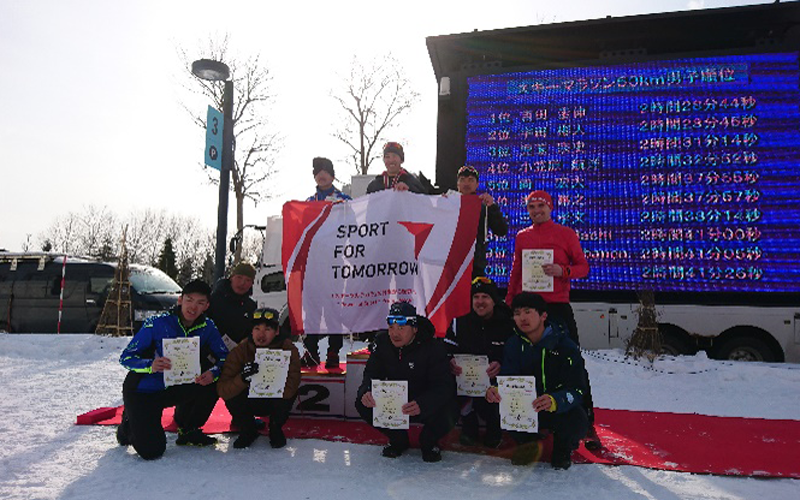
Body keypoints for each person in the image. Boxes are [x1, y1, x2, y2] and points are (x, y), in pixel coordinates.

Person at [504, 189, 600, 450]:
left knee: (572, 362)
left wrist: (563, 271)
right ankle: (527, 416)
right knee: (525, 362)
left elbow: (584, 267)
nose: (536, 211)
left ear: (550, 208)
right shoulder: (522, 236)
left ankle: (586, 422)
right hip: (528, 306)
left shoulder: (566, 234)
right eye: (531, 207)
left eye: (541, 206)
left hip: (556, 307)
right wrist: (510, 300)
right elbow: (516, 270)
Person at [116, 279, 229, 460]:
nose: (193, 307)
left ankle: (189, 428)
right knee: (152, 451)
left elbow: (225, 358)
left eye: (200, 303)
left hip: (177, 386)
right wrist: (150, 365)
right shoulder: (156, 323)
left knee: (215, 381)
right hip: (145, 390)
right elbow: (126, 357)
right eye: (189, 300)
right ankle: (128, 424)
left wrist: (213, 373)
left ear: (206, 305)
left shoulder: (208, 327)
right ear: (180, 300)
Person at [486, 292, 589, 469]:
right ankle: (526, 443)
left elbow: (578, 389)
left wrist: (555, 400)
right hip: (526, 407)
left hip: (555, 407)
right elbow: (508, 377)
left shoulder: (565, 346)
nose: (522, 318)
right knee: (498, 406)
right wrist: (496, 389)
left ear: (543, 315)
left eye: (528, 312)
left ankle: (562, 448)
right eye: (517, 313)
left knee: (577, 418)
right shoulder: (513, 344)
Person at [355, 301, 455, 462]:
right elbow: (371, 372)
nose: (395, 333)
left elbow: (444, 386)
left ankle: (429, 441)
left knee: (451, 406)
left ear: (414, 329)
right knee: (362, 401)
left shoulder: (433, 347)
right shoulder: (382, 342)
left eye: (401, 328)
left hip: (423, 399)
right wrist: (366, 390)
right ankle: (397, 439)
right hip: (395, 400)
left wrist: (423, 403)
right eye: (392, 328)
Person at [217, 307, 301, 449]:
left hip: (275, 401)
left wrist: (276, 384)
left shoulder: (288, 349)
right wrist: (242, 379)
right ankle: (247, 429)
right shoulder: (241, 350)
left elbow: (293, 382)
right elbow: (223, 389)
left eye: (268, 329)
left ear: (277, 332)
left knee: (291, 392)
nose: (261, 334)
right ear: (251, 331)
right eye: (257, 328)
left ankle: (275, 427)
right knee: (232, 393)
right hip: (249, 399)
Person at [444, 276, 514, 448]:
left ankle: (494, 425)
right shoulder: (458, 323)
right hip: (465, 383)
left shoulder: (509, 324)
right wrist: (450, 361)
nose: (480, 302)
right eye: (476, 297)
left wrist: (501, 364)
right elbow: (444, 350)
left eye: (485, 297)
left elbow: (516, 356)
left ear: (494, 300)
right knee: (443, 380)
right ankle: (468, 423)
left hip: (494, 382)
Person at [302, 157, 350, 368]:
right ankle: (311, 350)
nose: (321, 175)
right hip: (313, 263)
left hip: (335, 261)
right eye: (317, 171)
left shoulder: (344, 200)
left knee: (334, 307)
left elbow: (356, 228)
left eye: (325, 171)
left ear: (332, 175)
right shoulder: (308, 202)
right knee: (312, 308)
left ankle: (333, 350)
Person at [455, 165, 508, 277]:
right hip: (450, 264)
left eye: (471, 180)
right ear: (457, 184)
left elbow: (501, 230)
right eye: (462, 180)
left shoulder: (483, 206)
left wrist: (492, 207)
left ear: (477, 184)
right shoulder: (447, 203)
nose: (466, 183)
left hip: (475, 264)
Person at [208, 262, 258, 348]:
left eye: (248, 280)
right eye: (239, 277)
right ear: (231, 278)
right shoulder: (214, 300)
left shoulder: (251, 307)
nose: (242, 283)